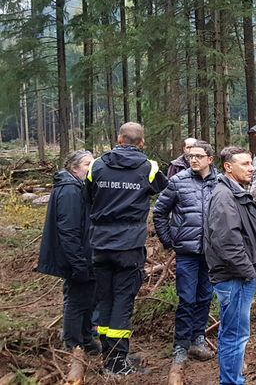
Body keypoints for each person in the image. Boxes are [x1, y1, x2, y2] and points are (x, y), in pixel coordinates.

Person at [84, 122, 168, 377]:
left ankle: (110, 356)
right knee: (122, 301)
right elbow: (162, 188)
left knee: (105, 299)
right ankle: (117, 364)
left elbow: (87, 196)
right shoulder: (149, 167)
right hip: (129, 245)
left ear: (119, 140)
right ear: (141, 143)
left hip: (99, 243)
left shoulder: (96, 165)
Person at [204, 146, 256, 385]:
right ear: (228, 167)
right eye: (245, 164)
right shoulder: (224, 196)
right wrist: (248, 272)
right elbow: (226, 242)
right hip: (234, 278)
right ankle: (232, 382)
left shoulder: (234, 192)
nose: (251, 167)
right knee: (235, 335)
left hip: (237, 276)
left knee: (232, 332)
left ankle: (232, 379)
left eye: (250, 163)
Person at [153, 141, 218, 366]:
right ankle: (180, 345)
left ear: (210, 159)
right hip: (187, 252)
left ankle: (197, 339)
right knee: (186, 298)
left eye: (199, 156)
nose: (193, 160)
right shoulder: (178, 182)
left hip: (211, 252)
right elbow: (159, 211)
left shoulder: (220, 183)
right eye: (191, 156)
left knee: (205, 297)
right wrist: (168, 240)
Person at [37, 150, 99, 354]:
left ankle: (86, 340)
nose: (92, 168)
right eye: (87, 164)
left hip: (84, 256)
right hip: (77, 258)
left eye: (93, 163)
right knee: (76, 301)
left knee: (87, 300)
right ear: (74, 168)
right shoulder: (70, 191)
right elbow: (68, 231)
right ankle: (73, 345)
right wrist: (79, 263)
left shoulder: (77, 187)